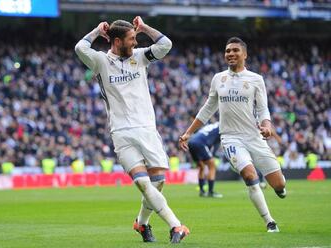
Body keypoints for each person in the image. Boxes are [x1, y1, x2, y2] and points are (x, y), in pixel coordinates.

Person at [75, 16, 189, 243]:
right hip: (121, 132)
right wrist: (98, 30)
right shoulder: (100, 61)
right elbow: (80, 47)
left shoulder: (140, 57)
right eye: (131, 39)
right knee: (143, 183)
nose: (136, 43)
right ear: (116, 41)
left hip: (147, 128)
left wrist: (144, 27)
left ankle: (141, 224)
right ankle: (176, 226)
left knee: (157, 183)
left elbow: (165, 44)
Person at [179, 37, 286, 233]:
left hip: (254, 137)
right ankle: (270, 221)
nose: (230, 53)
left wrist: (267, 126)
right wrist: (188, 133)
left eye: (235, 50)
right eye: (228, 50)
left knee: (279, 183)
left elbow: (263, 109)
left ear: (244, 54)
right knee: (249, 175)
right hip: (230, 138)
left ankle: (280, 189)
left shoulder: (256, 79)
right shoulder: (218, 78)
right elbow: (207, 109)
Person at [188, 122, 223, 198]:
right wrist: (212, 155)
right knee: (212, 166)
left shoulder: (214, 125)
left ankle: (202, 191)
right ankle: (211, 192)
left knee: (202, 167)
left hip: (191, 142)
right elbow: (214, 143)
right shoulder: (222, 127)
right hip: (200, 143)